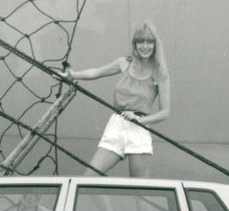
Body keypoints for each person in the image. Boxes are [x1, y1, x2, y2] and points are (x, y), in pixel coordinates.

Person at [68, 21, 170, 177]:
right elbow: (96, 72)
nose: (145, 46)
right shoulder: (125, 62)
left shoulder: (160, 73)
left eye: (149, 42)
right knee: (89, 178)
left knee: (139, 192)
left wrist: (139, 120)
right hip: (117, 124)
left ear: (156, 45)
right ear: (134, 45)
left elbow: (165, 112)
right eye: (140, 42)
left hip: (138, 128)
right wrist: (72, 75)